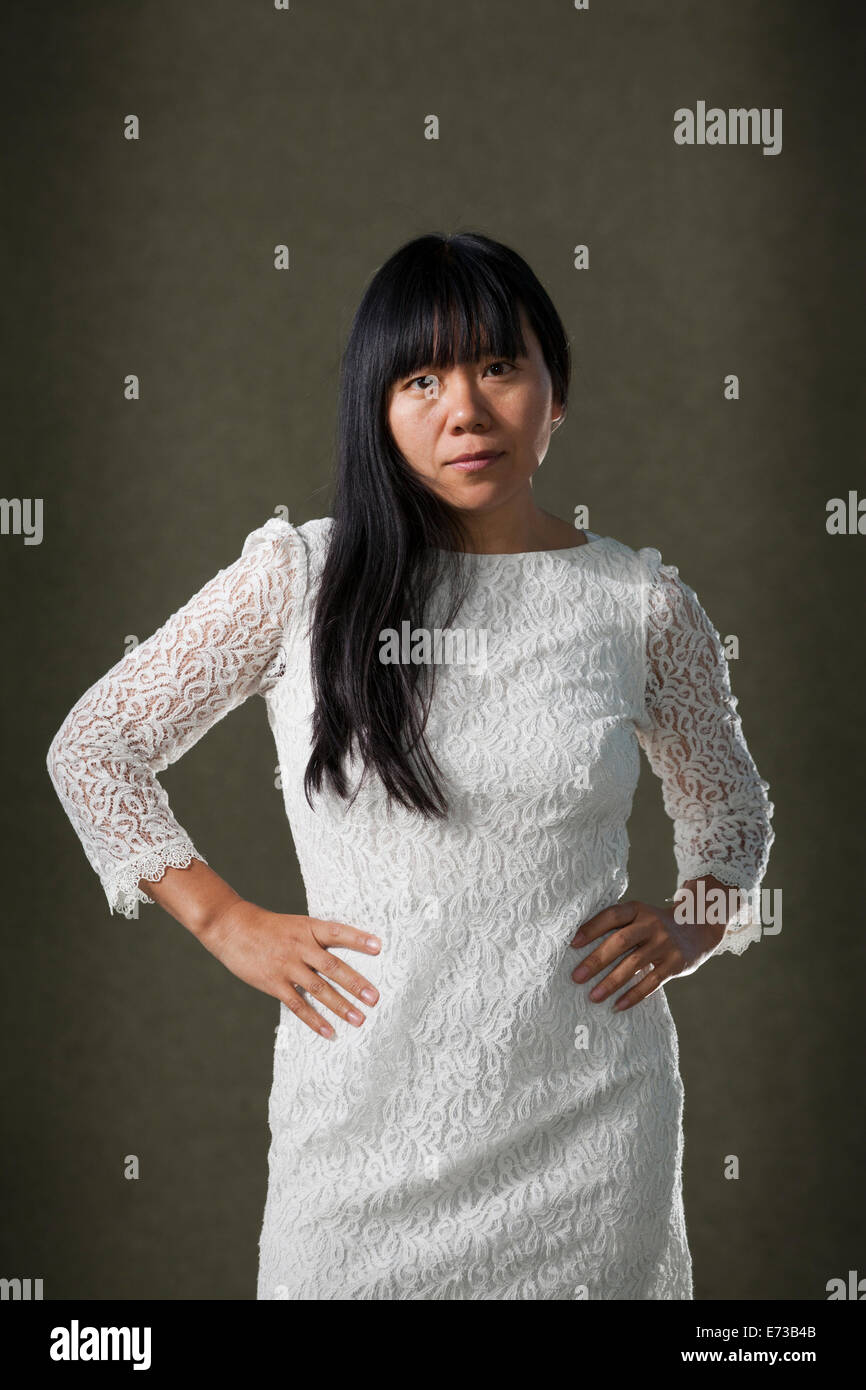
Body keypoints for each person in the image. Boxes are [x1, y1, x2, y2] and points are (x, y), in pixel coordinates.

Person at [46, 230, 774, 1300]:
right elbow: (94, 746)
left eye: (496, 366)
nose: (463, 410)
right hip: (359, 1134)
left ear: (552, 388)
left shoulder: (639, 605)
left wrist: (692, 921)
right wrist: (221, 918)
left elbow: (732, 819)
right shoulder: (303, 578)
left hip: (588, 1131)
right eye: (419, 378)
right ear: (376, 411)